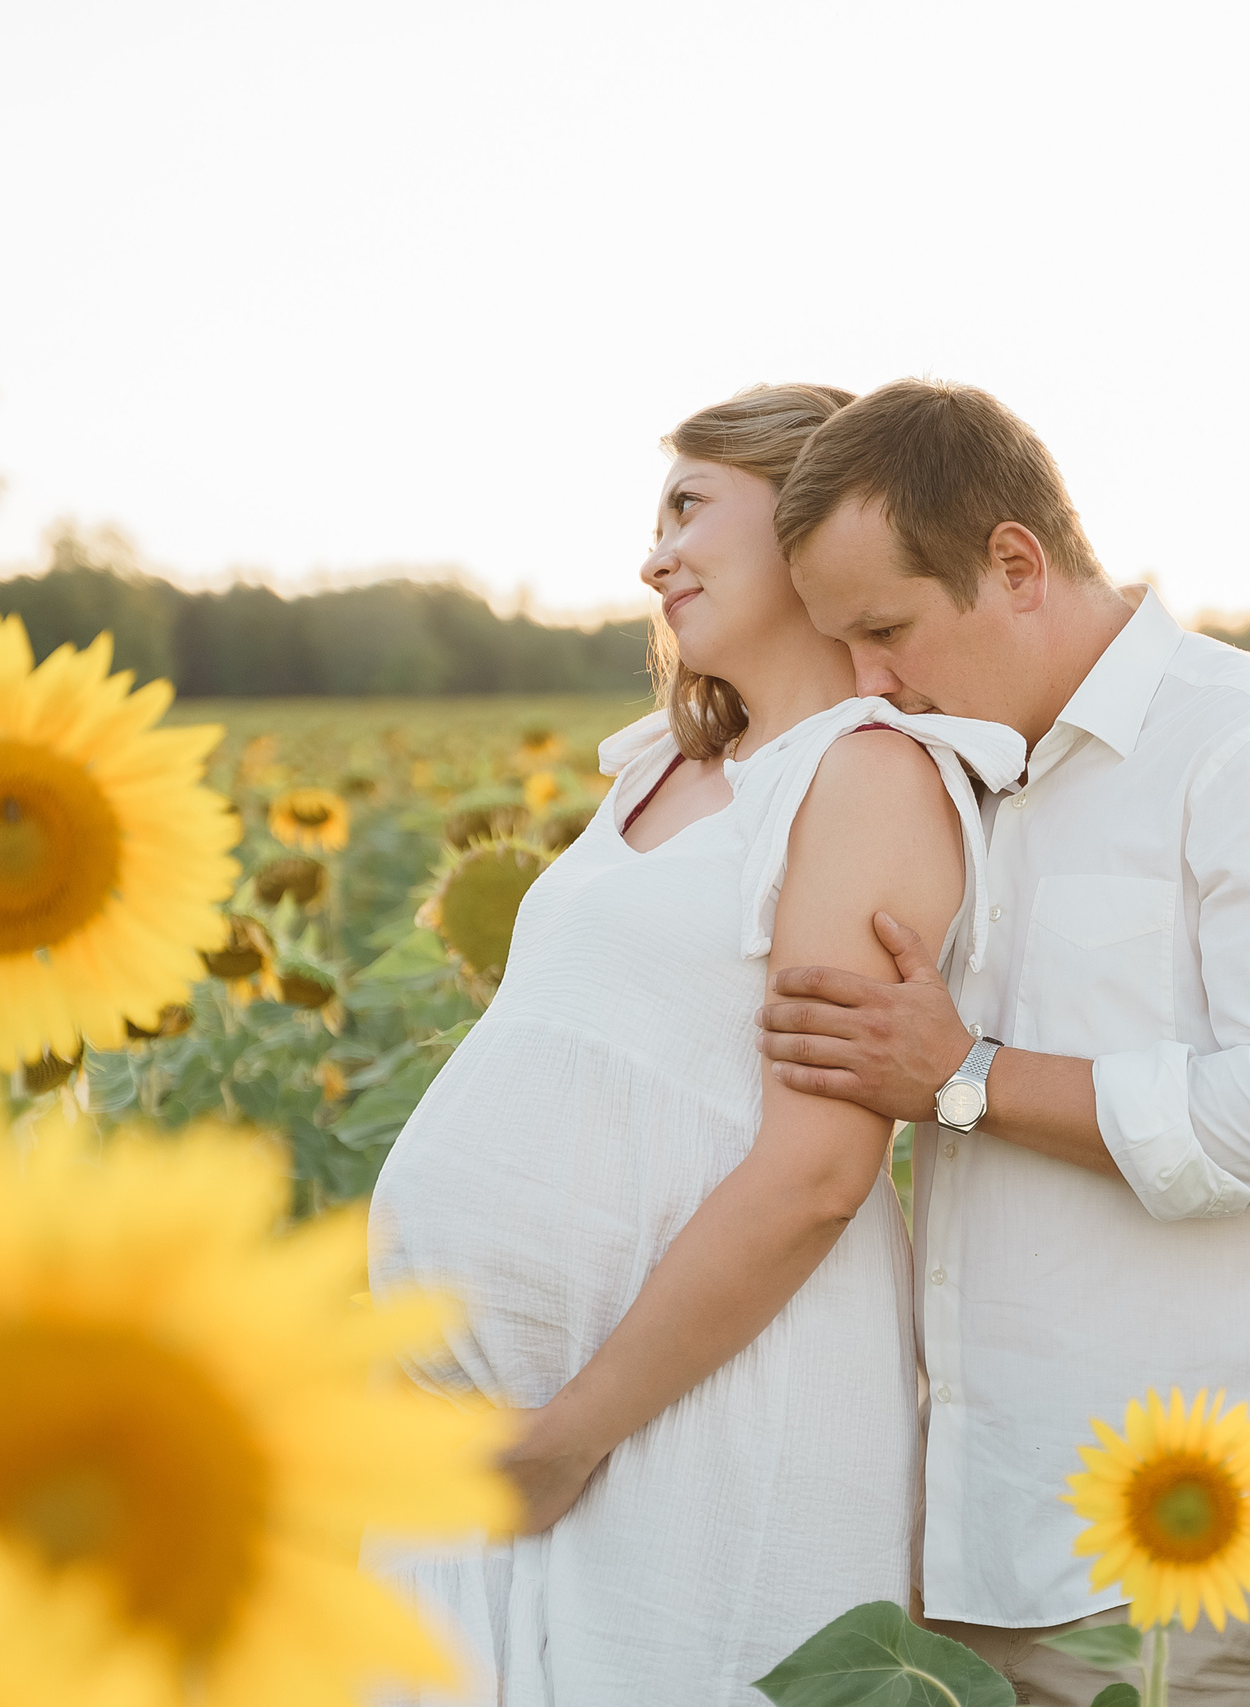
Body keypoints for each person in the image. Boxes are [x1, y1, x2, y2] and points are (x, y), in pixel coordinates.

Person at [758, 379, 1250, 1705]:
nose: (868, 683)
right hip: (983, 1554)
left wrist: (964, 1078)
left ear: (1015, 563)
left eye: (886, 629)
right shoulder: (976, 782)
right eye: (842, 645)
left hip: (1190, 1557)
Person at [365, 383, 1023, 1704]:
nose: (653, 555)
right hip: (473, 1435)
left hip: (693, 1418)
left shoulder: (867, 775)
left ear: (804, 521)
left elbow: (816, 1173)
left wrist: (568, 1437)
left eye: (685, 508)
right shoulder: (655, 772)